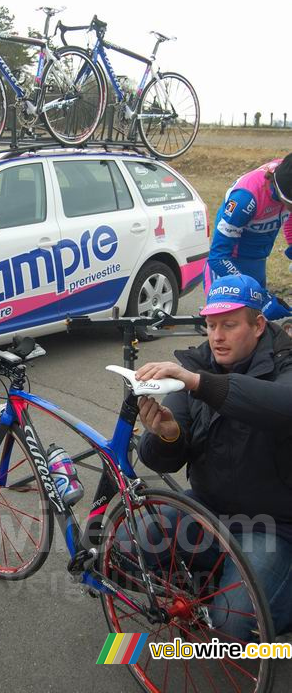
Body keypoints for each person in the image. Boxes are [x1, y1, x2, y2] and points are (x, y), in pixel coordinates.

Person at [133, 274, 292, 640]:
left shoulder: (285, 364)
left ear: (258, 325)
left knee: (235, 626)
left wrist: (197, 383)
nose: (217, 336)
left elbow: (280, 405)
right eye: (210, 324)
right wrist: (167, 434)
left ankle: (262, 594)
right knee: (130, 545)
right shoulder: (198, 363)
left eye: (229, 325)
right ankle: (220, 584)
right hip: (206, 507)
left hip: (274, 524)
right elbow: (161, 460)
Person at [204, 154, 292, 321]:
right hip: (228, 265)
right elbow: (217, 258)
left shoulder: (287, 171)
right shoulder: (245, 198)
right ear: (282, 195)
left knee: (256, 333)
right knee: (227, 330)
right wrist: (261, 296)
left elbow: (290, 215)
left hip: (257, 261)